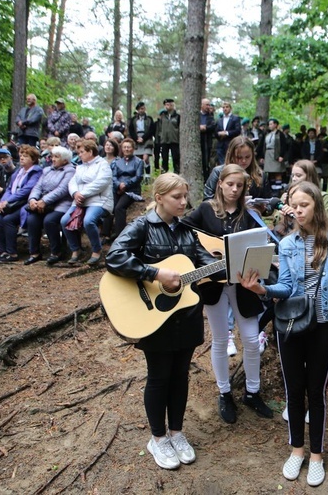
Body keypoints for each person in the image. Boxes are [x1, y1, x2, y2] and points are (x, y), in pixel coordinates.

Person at [106, 172, 224, 470]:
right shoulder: (141, 227)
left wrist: (233, 265)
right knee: (159, 377)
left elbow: (205, 263)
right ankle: (158, 438)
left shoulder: (187, 231)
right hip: (153, 318)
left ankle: (177, 432)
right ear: (159, 198)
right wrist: (155, 274)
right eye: (177, 197)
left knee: (181, 376)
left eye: (186, 196)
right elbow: (115, 257)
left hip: (185, 315)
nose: (184, 202)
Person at [238, 181, 328, 487]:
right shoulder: (286, 244)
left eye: (304, 205)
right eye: (294, 205)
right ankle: (296, 451)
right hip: (290, 324)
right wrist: (262, 289)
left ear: (317, 207)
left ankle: (316, 456)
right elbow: (285, 287)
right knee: (294, 389)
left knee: (316, 391)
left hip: (323, 324)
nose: (298, 211)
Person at [183, 164, 273, 424]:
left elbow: (261, 244)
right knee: (221, 338)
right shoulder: (204, 210)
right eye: (230, 184)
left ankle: (253, 392)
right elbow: (183, 232)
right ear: (220, 183)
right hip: (213, 283)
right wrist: (203, 257)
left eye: (240, 186)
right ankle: (224, 392)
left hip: (244, 284)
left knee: (251, 338)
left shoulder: (249, 215)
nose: (234, 190)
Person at [60, 139, 113, 266]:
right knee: (64, 221)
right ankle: (76, 250)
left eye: (82, 152)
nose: (79, 155)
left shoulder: (103, 164)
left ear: (90, 151)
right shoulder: (80, 167)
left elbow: (101, 183)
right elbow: (72, 182)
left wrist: (82, 194)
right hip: (79, 201)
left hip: (99, 201)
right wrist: (75, 193)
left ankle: (96, 250)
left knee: (88, 220)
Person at [0, 145, 43, 263]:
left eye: (26, 156)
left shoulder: (36, 171)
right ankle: (1, 251)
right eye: (21, 155)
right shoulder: (19, 171)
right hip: (10, 203)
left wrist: (8, 201)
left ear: (33, 159)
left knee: (8, 220)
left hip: (23, 203)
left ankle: (12, 253)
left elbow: (26, 190)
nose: (22, 158)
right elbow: (9, 189)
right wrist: (3, 202)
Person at [25, 146, 75, 265]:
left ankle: (56, 252)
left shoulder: (70, 171)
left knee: (49, 221)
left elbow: (62, 190)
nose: (53, 159)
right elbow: (38, 186)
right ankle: (34, 253)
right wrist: (33, 199)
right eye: (52, 156)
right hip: (43, 203)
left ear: (65, 160)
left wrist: (45, 201)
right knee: (32, 220)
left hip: (62, 204)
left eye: (56, 157)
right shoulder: (47, 170)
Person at [101, 138, 143, 241]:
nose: (126, 149)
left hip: (131, 190)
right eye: (124, 147)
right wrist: (119, 185)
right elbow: (113, 176)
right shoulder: (117, 162)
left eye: (128, 147)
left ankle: (120, 235)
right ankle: (105, 234)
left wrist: (126, 185)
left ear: (133, 149)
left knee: (119, 208)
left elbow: (138, 177)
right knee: (110, 207)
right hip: (118, 189)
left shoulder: (138, 161)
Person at [203, 136, 270, 201]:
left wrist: (260, 208)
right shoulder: (218, 172)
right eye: (239, 157)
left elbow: (268, 202)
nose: (244, 161)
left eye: (247, 157)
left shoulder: (260, 175)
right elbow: (207, 200)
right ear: (231, 155)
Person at [256, 118, 287, 192]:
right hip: (268, 153)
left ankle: (278, 189)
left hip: (276, 154)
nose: (269, 126)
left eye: (271, 124)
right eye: (269, 124)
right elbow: (262, 145)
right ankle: (272, 189)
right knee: (270, 172)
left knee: (277, 172)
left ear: (275, 125)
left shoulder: (280, 134)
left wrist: (281, 155)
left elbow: (284, 145)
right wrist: (262, 156)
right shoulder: (267, 134)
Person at [128, 102, 155, 171]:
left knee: (145, 158)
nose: (141, 110)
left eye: (142, 108)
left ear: (145, 109)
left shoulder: (149, 119)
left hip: (147, 139)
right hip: (136, 140)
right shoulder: (133, 119)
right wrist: (136, 138)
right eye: (139, 109)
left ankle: (148, 174)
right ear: (137, 110)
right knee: (138, 160)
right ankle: (140, 174)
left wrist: (143, 138)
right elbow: (131, 130)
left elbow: (152, 130)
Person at [156, 99, 180, 174]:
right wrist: (159, 138)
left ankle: (177, 173)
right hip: (164, 140)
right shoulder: (162, 116)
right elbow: (159, 128)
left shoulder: (178, 116)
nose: (169, 106)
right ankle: (164, 174)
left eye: (170, 104)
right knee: (164, 158)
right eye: (167, 104)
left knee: (175, 158)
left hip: (174, 140)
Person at [199, 98, 217, 180]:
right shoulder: (197, 115)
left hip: (208, 141)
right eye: (207, 105)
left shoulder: (211, 116)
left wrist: (205, 127)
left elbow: (213, 126)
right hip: (199, 141)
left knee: (207, 161)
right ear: (201, 105)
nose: (208, 106)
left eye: (209, 105)